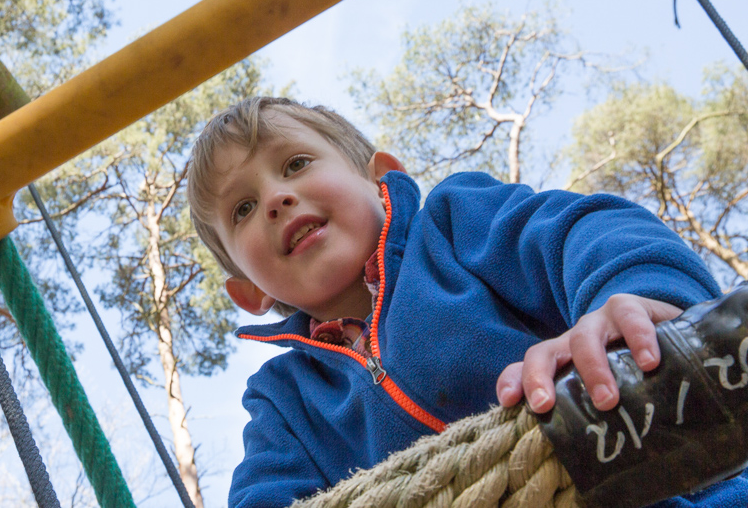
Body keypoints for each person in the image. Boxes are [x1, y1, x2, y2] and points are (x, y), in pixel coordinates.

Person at [186, 96, 748, 507]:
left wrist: (630, 298)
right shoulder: (286, 401)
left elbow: (582, 233)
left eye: (296, 164)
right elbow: (265, 493)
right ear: (249, 291)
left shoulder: (457, 227)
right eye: (243, 209)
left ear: (381, 176)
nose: (277, 199)